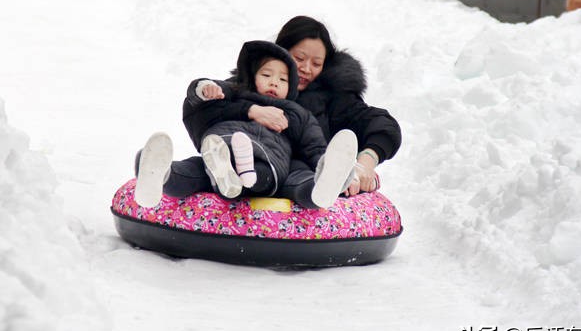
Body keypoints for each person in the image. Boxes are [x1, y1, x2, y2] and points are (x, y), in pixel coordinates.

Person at [136, 16, 402, 209]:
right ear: (282, 53)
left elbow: (381, 125)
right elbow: (204, 109)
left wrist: (365, 161)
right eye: (299, 59)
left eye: (316, 63)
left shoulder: (334, 97)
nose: (306, 69)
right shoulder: (249, 86)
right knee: (199, 169)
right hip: (230, 154)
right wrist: (251, 110)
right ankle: (161, 174)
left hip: (292, 172)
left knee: (302, 179)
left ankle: (323, 185)